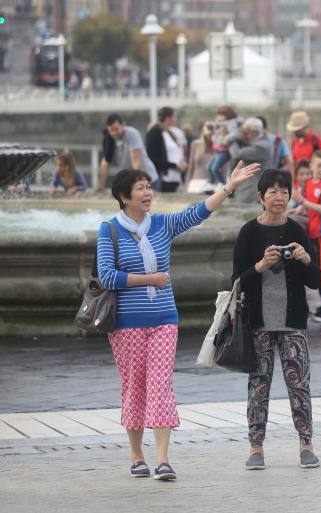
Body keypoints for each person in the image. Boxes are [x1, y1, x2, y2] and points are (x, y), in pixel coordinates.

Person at [97, 161, 260, 480]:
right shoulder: (110, 230)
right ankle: (135, 454)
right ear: (123, 196)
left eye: (149, 186)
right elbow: (106, 275)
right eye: (141, 188)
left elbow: (197, 212)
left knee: (160, 385)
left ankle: (162, 460)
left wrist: (228, 187)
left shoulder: (161, 225)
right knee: (135, 388)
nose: (148, 193)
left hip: (164, 320)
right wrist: (147, 280)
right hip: (127, 325)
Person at [232, 169, 321, 470]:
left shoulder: (297, 231)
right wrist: (259, 265)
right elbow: (236, 281)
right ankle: (256, 447)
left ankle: (306, 443)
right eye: (272, 191)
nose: (279, 197)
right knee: (259, 386)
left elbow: (315, 281)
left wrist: (307, 259)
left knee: (299, 385)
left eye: (284, 191)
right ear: (261, 197)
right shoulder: (248, 233)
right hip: (258, 324)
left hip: (292, 322)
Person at [292, 151, 321, 322]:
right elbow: (305, 204)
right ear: (311, 166)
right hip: (312, 231)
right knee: (318, 267)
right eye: (318, 165)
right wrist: (297, 210)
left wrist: (303, 203)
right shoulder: (309, 184)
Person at [97, 114, 158, 191]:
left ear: (123, 125)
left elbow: (136, 163)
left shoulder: (131, 134)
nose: (114, 133)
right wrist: (100, 187)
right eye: (111, 130)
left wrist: (145, 185)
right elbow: (106, 161)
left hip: (147, 178)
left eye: (116, 129)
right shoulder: (108, 137)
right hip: (131, 181)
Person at [230, 117, 275, 205]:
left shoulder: (262, 146)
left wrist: (231, 140)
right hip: (244, 190)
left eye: (246, 132)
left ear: (255, 132)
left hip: (251, 193)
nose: (243, 135)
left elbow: (237, 154)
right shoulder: (253, 142)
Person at [145, 107, 188, 193]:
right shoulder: (155, 133)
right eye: (174, 117)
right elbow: (153, 158)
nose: (176, 119)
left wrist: (182, 163)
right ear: (168, 118)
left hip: (176, 178)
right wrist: (174, 166)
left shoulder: (170, 132)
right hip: (163, 179)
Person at [207, 105, 243, 185]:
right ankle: (211, 183)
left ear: (227, 116)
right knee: (209, 167)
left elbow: (235, 133)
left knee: (215, 168)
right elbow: (214, 126)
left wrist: (227, 138)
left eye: (221, 115)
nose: (218, 117)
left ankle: (222, 184)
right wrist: (210, 127)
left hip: (224, 150)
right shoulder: (221, 123)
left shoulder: (231, 124)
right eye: (218, 115)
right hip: (218, 150)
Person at [185, 122, 214, 189]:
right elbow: (191, 166)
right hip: (196, 183)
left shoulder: (218, 146)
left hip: (212, 184)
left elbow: (224, 169)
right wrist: (187, 184)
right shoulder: (195, 144)